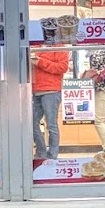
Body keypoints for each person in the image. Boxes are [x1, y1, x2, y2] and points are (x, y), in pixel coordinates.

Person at [30, 36, 70, 164]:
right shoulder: (34, 45)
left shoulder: (58, 47)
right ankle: (41, 152)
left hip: (51, 90)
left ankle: (52, 155)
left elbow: (62, 67)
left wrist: (40, 62)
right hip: (34, 89)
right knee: (32, 123)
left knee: (51, 124)